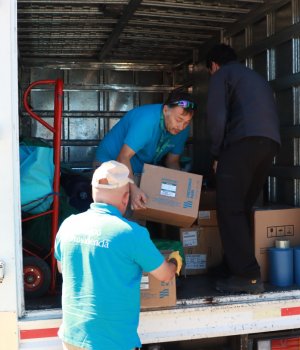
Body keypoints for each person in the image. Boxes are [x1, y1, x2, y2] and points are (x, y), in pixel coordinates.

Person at [54, 160, 182, 350]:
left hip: (72, 338)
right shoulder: (131, 233)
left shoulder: (68, 225)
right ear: (125, 198)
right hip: (113, 343)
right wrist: (174, 262)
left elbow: (62, 268)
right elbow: (164, 275)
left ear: (92, 193)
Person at [206, 44, 281, 294]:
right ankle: (233, 265)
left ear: (214, 65)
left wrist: (216, 154)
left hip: (242, 143)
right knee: (241, 208)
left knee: (229, 209)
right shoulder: (255, 77)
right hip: (268, 144)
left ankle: (247, 275)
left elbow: (216, 117)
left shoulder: (222, 76)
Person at [94, 91, 197, 210]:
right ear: (165, 110)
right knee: (119, 214)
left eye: (186, 122)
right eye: (178, 120)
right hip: (110, 163)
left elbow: (172, 161)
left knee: (140, 213)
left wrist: (181, 188)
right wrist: (133, 189)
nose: (181, 127)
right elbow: (123, 157)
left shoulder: (182, 128)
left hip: (139, 169)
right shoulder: (147, 120)